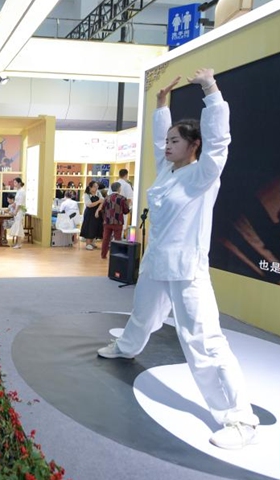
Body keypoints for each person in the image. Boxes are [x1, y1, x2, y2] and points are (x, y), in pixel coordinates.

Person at [97, 69, 260, 450]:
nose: (167, 145)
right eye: (167, 140)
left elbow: (220, 142)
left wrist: (210, 89)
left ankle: (240, 418)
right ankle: (126, 347)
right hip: (157, 263)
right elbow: (157, 139)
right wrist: (160, 103)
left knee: (203, 341)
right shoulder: (169, 171)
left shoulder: (203, 175)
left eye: (175, 140)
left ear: (194, 145)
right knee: (142, 315)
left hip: (187, 270)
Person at [97, 182, 130, 259]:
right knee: (117, 239)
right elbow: (126, 211)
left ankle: (103, 255)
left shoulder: (107, 198)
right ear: (119, 189)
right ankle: (116, 255)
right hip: (118, 221)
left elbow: (102, 209)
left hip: (107, 221)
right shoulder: (122, 198)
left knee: (106, 239)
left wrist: (105, 217)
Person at [79, 180, 104, 250]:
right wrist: (98, 201)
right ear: (90, 187)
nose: (96, 188)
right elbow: (89, 205)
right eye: (95, 187)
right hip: (89, 213)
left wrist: (98, 210)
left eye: (97, 186)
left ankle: (92, 242)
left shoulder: (98, 193)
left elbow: (103, 201)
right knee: (89, 226)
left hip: (97, 212)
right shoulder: (86, 195)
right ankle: (88, 243)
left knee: (96, 226)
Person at [8, 177, 26, 248]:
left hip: (19, 211)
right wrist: (11, 206)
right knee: (17, 226)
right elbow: (16, 202)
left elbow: (20, 203)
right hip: (17, 210)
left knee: (18, 227)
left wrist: (15, 211)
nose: (14, 184)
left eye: (15, 182)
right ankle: (17, 243)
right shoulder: (18, 191)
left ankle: (19, 244)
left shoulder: (22, 191)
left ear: (19, 183)